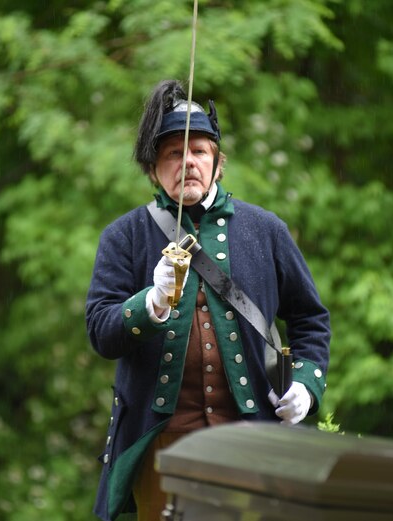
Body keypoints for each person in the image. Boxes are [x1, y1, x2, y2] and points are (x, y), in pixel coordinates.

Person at [86, 79, 331, 521]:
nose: (188, 163)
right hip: (160, 446)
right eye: (173, 155)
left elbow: (311, 320)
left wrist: (307, 386)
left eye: (199, 151)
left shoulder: (267, 230)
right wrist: (150, 303)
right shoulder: (124, 237)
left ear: (218, 164)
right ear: (153, 170)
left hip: (252, 442)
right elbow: (101, 333)